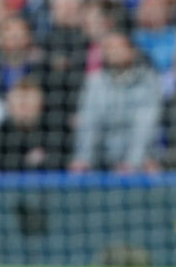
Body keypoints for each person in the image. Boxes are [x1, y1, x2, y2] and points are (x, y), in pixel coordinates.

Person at [68, 31, 161, 173]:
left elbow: (144, 128)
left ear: (132, 51)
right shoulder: (95, 82)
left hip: (139, 163)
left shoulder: (148, 81)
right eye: (109, 47)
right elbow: (89, 124)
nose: (113, 52)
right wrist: (84, 159)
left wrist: (132, 163)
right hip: (101, 162)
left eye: (118, 47)